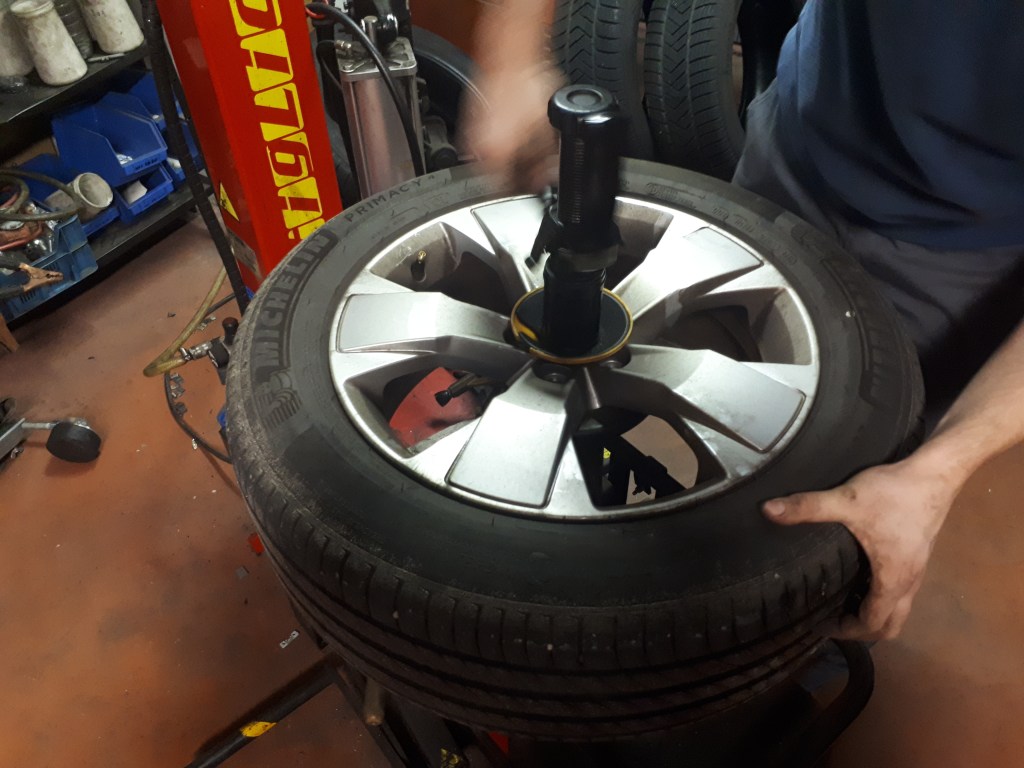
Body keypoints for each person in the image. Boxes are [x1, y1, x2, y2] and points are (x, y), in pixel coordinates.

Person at [462, 0, 1024, 641]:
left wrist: (936, 474)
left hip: (960, 250)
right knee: (691, 398)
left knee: (801, 544)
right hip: (800, 138)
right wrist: (512, 54)